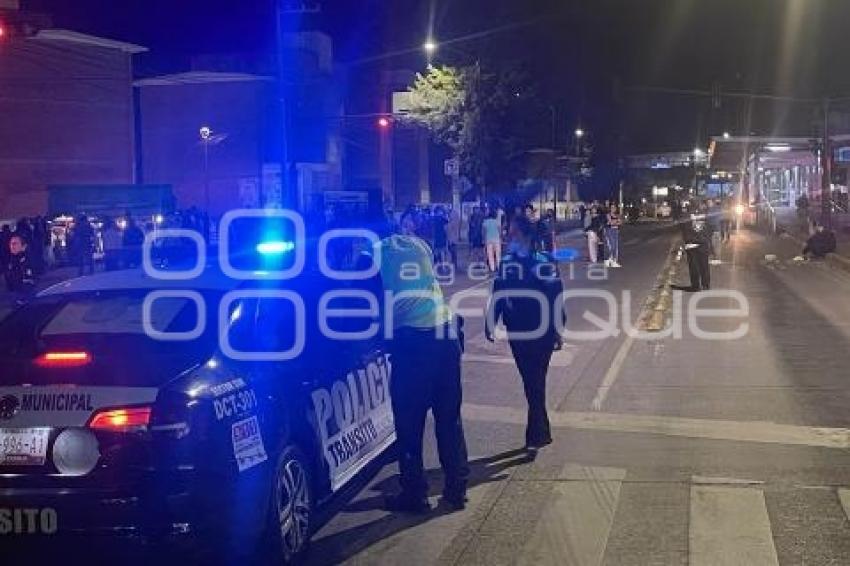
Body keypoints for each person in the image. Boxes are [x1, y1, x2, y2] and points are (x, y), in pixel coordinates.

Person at [377, 215, 469, 513]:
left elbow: (362, 296)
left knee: (409, 424)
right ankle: (456, 491)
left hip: (412, 344)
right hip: (445, 336)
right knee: (449, 420)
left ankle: (415, 495)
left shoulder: (373, 254)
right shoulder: (419, 245)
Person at [485, 215, 565, 451]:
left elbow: (556, 298)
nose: (509, 238)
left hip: (542, 331)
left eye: (513, 234)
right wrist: (491, 322)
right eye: (508, 234)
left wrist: (558, 329)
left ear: (527, 237)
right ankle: (539, 434)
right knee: (532, 381)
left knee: (535, 381)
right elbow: (498, 292)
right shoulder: (507, 263)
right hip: (517, 330)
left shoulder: (544, 261)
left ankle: (536, 436)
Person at [683, 214, 713, 291]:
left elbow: (706, 238)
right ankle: (697, 286)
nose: (693, 219)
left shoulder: (706, 227)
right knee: (694, 268)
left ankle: (703, 285)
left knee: (703, 267)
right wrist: (696, 242)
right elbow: (687, 238)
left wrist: (694, 243)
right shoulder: (688, 226)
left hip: (700, 250)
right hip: (694, 250)